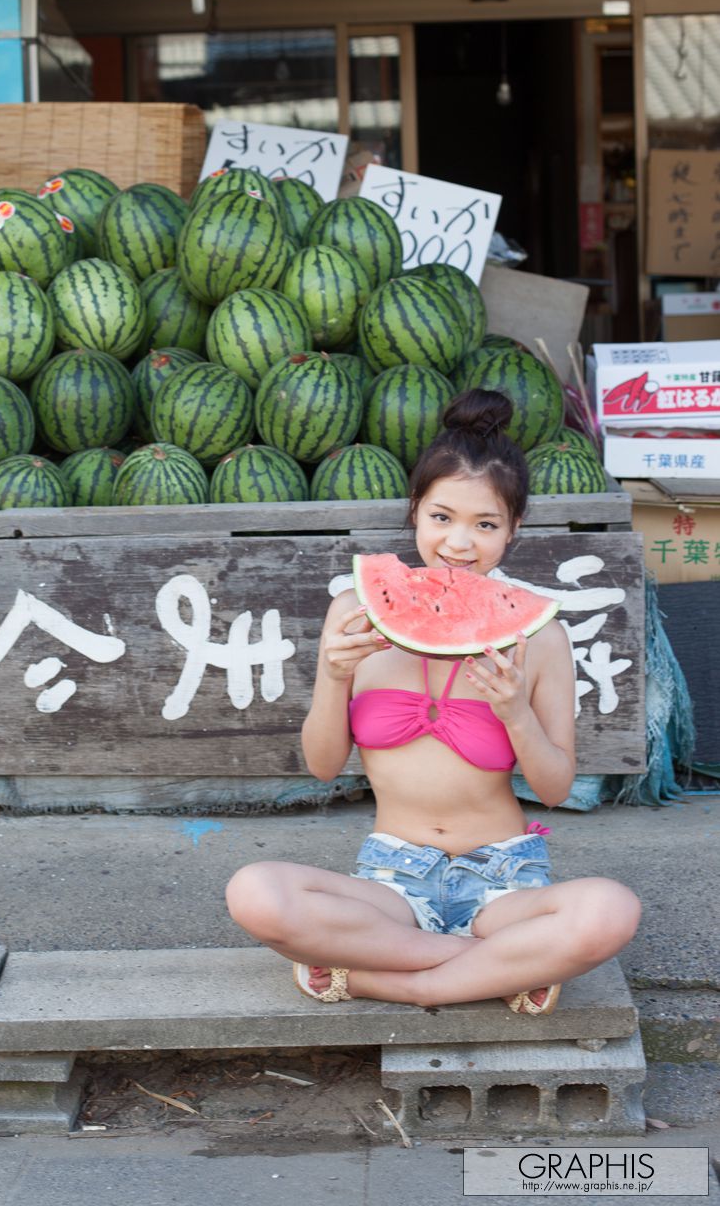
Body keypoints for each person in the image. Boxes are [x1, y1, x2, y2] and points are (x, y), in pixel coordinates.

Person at [225, 389, 641, 1015]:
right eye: (442, 517)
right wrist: (336, 677)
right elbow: (320, 765)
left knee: (611, 911)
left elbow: (554, 788)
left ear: (515, 528)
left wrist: (515, 714)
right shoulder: (354, 613)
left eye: (486, 524)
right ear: (416, 510)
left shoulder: (541, 636)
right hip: (391, 878)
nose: (459, 544)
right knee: (255, 892)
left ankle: (384, 978)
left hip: (505, 882)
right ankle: (496, 973)